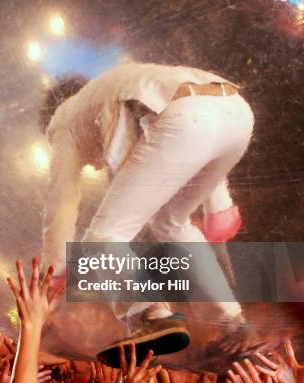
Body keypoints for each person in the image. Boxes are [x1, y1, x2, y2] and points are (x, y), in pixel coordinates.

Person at [40, 63, 255, 367]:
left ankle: (150, 314)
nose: (92, 167)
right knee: (170, 222)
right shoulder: (114, 88)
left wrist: (54, 271)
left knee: (101, 240)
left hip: (188, 118)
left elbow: (61, 199)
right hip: (237, 113)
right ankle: (234, 322)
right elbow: (200, 134)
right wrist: (217, 208)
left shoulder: (63, 121)